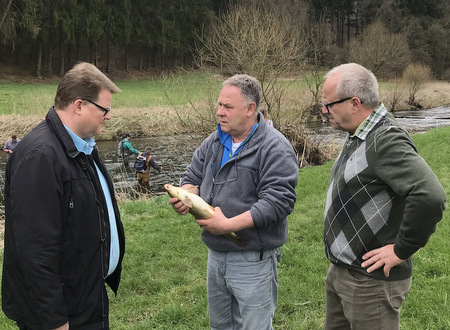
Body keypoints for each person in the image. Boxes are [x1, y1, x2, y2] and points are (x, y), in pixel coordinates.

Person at [322, 63, 446, 330]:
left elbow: (430, 195)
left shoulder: (384, 140)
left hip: (370, 284)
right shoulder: (359, 132)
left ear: (355, 103)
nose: (324, 110)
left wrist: (401, 250)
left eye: (329, 104)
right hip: (344, 271)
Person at [2, 62, 126, 330]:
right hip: (60, 313)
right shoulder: (40, 157)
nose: (109, 116)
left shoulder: (82, 146)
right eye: (104, 109)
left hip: (86, 295)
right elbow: (34, 250)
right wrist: (56, 320)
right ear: (78, 105)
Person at [168, 74, 298, 329]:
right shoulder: (215, 141)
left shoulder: (275, 148)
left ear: (251, 109)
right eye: (219, 105)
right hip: (216, 254)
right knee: (221, 326)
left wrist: (228, 226)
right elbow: (192, 176)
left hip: (253, 258)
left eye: (227, 107)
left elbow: (278, 202)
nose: (219, 112)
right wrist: (185, 195)